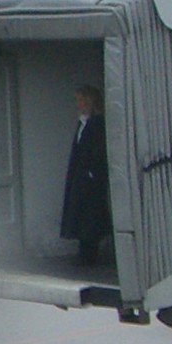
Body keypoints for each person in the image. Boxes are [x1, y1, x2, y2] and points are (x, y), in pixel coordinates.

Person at [60, 84, 111, 266]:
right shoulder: (82, 123)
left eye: (81, 100)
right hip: (80, 178)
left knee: (91, 218)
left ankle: (90, 256)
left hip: (90, 180)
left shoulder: (97, 123)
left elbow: (98, 151)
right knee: (81, 216)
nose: (78, 104)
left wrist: (92, 173)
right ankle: (84, 254)